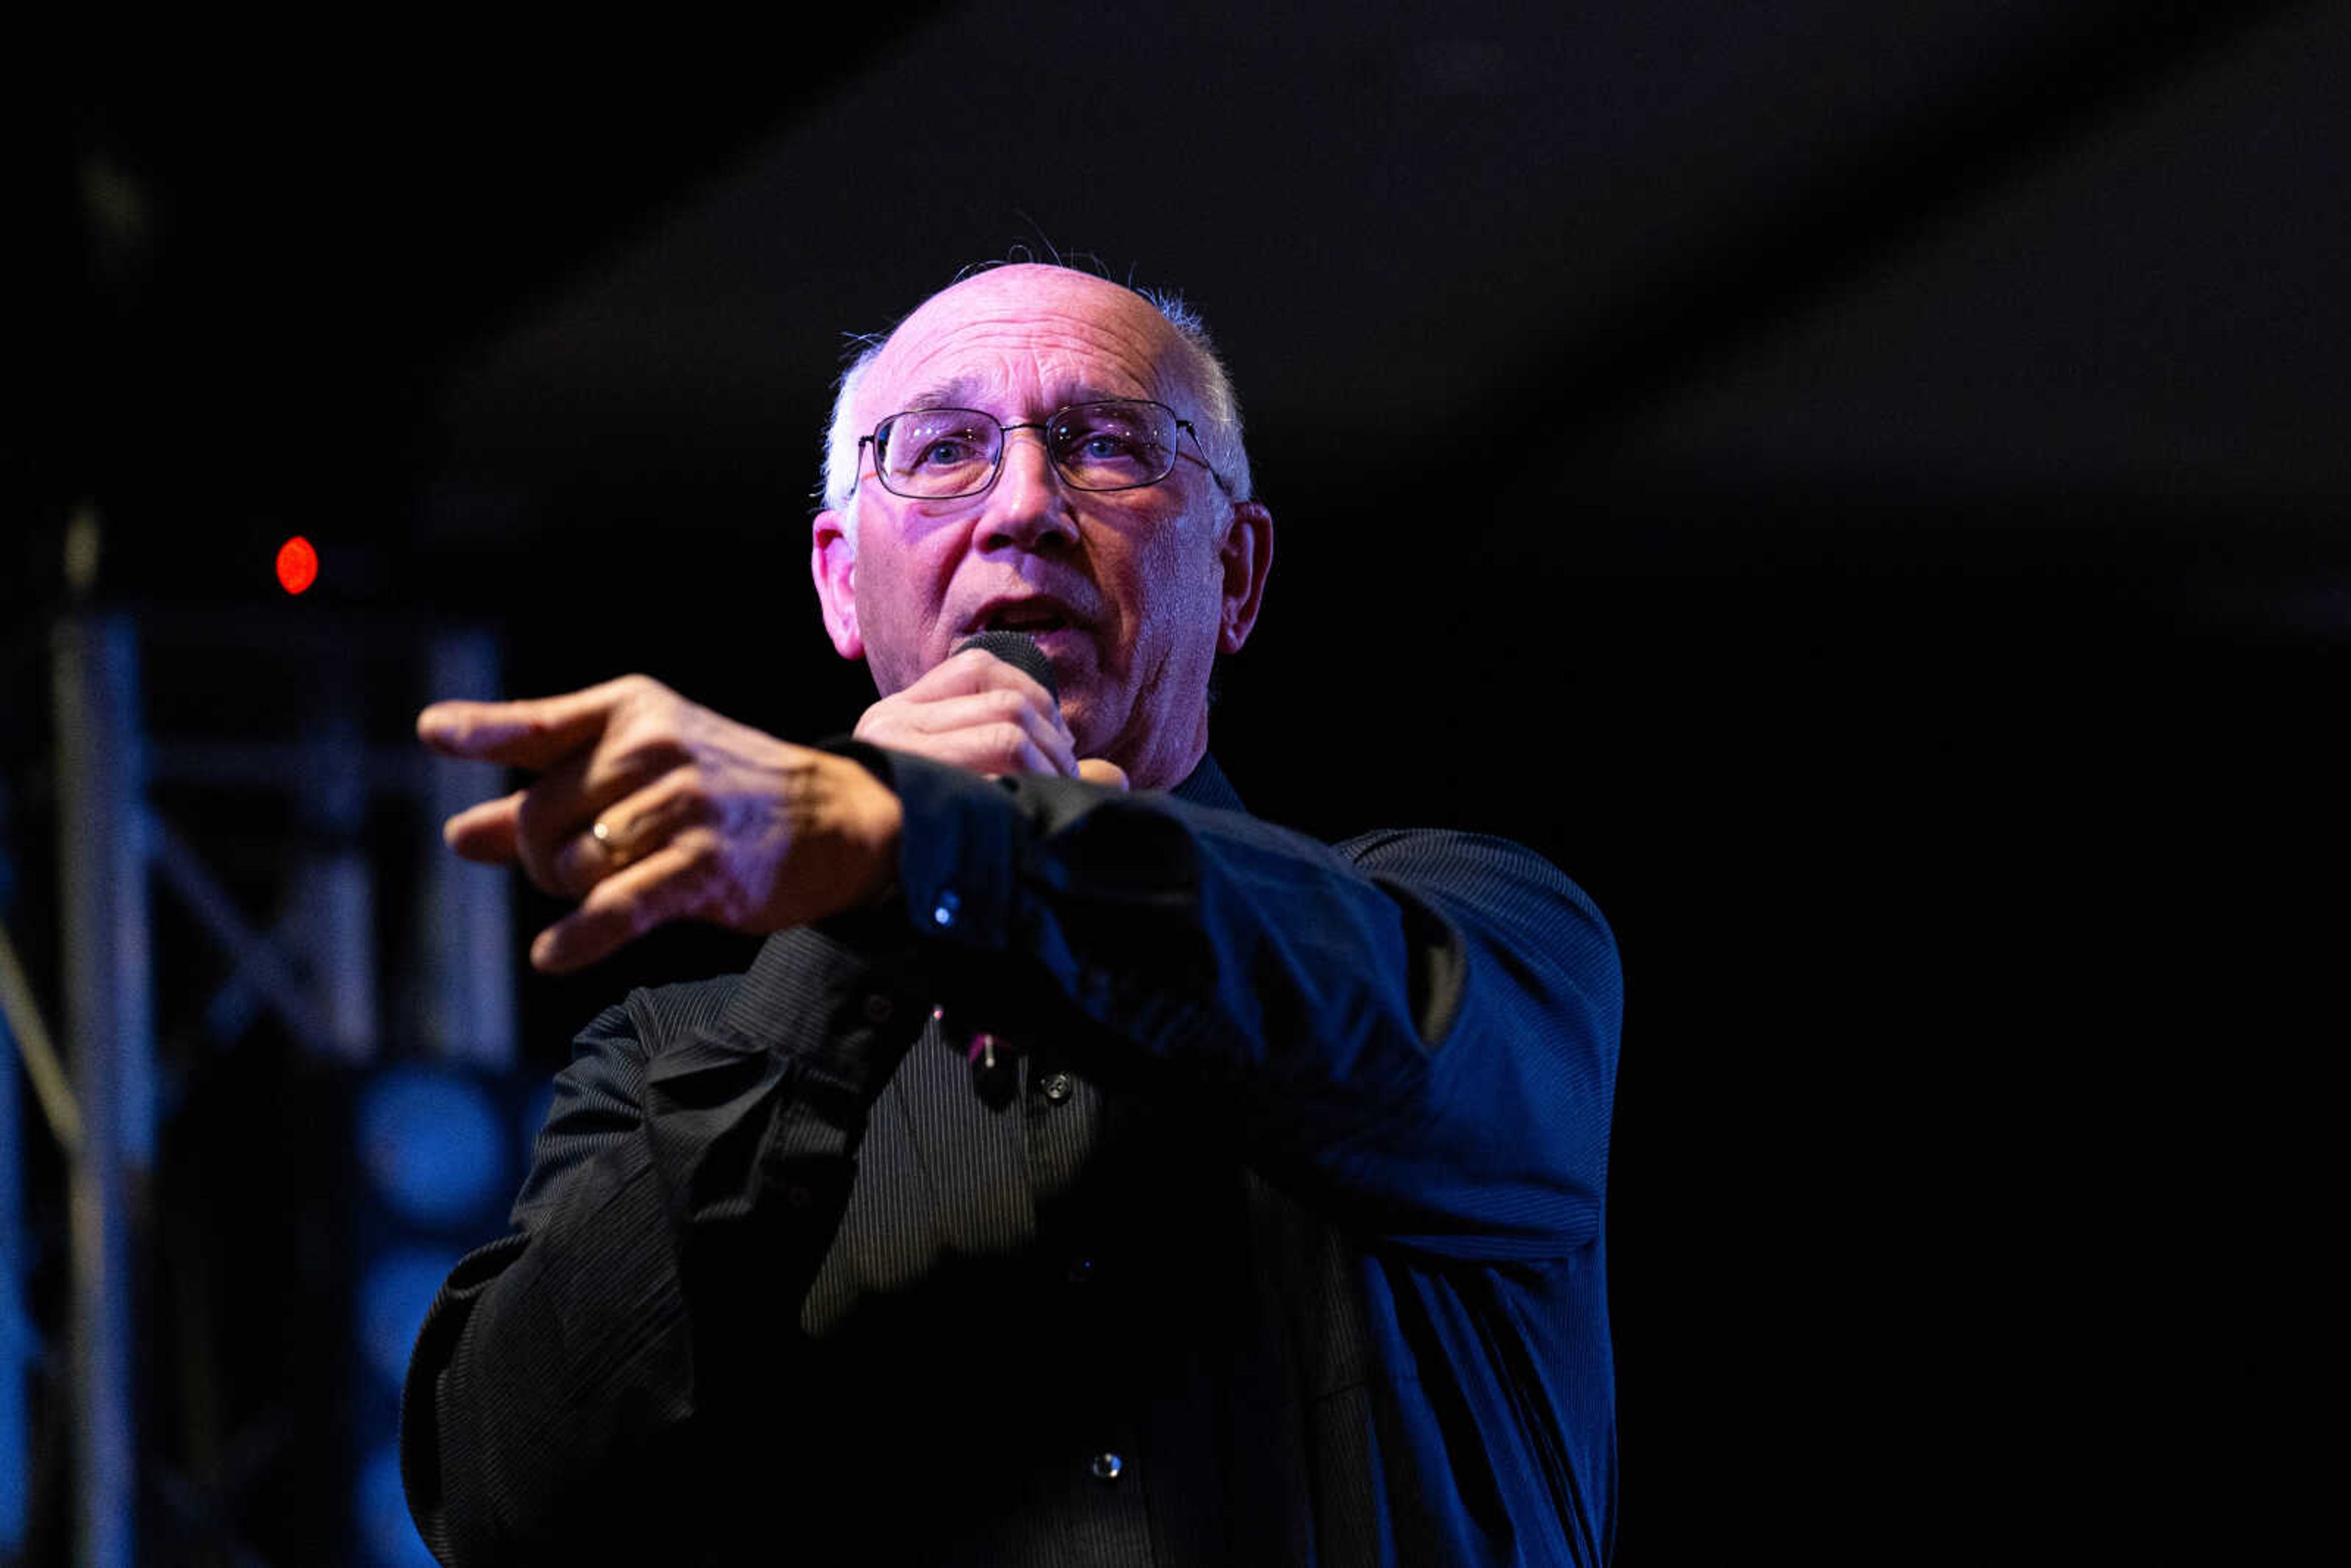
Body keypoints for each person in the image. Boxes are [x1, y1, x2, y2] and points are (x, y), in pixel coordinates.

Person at [399, 263, 1623, 1566]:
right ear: (838, 583)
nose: (1028, 505)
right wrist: (859, 918)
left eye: (1108, 446)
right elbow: (502, 1497)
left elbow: (1384, 1040)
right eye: (941, 452)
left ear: (1239, 570)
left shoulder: (1474, 923)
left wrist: (916, 838)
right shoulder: (661, 1060)